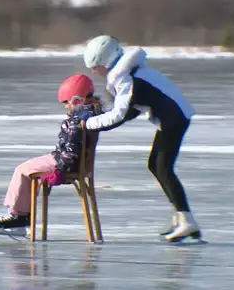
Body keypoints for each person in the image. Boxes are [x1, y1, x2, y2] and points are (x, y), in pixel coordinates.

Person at [82, 35, 200, 243]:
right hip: (174, 116)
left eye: (95, 66)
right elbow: (132, 109)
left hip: (174, 118)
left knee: (162, 167)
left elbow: (120, 114)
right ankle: (181, 217)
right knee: (156, 165)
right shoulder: (131, 71)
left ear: (106, 62)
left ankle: (187, 221)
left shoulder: (124, 77)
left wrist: (88, 125)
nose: (93, 72)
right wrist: (100, 122)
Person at [0, 74, 104, 236]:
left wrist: (61, 171)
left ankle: (19, 217)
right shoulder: (93, 115)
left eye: (67, 103)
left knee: (23, 170)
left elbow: (71, 149)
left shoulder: (76, 122)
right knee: (26, 167)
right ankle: (21, 214)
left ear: (77, 100)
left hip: (64, 162)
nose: (66, 107)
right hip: (71, 161)